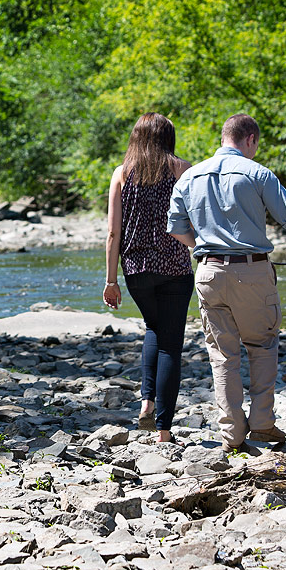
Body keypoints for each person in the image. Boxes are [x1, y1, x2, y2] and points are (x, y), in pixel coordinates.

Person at [167, 114, 286, 452]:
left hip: (208, 272)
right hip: (252, 272)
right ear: (250, 139)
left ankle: (231, 435)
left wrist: (204, 246)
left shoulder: (189, 177)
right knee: (262, 347)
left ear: (224, 136)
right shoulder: (257, 174)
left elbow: (176, 228)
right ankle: (262, 425)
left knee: (223, 357)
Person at [104, 112, 194, 445]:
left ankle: (146, 401)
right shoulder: (181, 169)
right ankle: (163, 431)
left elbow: (113, 233)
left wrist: (111, 280)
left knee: (153, 327)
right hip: (174, 267)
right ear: (168, 138)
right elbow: (193, 219)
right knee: (171, 344)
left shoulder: (121, 173)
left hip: (136, 269)